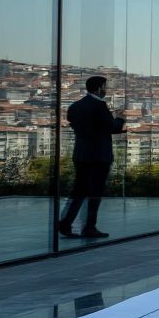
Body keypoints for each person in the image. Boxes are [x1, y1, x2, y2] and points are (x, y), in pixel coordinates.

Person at [57, 76, 126, 239]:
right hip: (99, 156)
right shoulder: (100, 106)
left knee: (79, 191)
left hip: (81, 154)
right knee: (95, 192)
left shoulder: (75, 106)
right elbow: (112, 128)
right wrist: (120, 118)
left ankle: (65, 223)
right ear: (99, 88)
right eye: (105, 86)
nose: (106, 90)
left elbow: (77, 125)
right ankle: (89, 226)